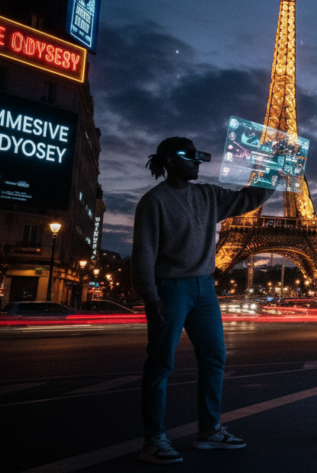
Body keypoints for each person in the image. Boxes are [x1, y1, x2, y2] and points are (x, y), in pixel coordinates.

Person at [132, 137, 274, 464]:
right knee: (160, 364)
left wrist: (271, 174)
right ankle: (153, 440)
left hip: (204, 287)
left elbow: (247, 199)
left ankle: (209, 430)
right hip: (170, 289)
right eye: (191, 157)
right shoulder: (154, 201)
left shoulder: (207, 194)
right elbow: (143, 253)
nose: (198, 163)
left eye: (200, 157)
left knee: (215, 358)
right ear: (169, 161)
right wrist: (149, 295)